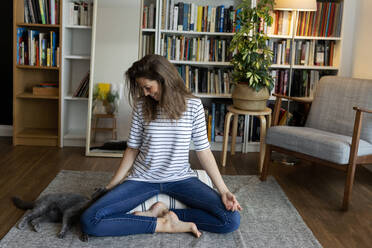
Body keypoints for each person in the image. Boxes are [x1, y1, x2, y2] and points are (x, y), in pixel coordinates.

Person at [80, 54, 242, 238]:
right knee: (89, 220)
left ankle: (167, 214)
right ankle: (163, 224)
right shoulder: (142, 106)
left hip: (181, 179)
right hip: (142, 179)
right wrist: (111, 186)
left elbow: (203, 151)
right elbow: (132, 149)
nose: (146, 93)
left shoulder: (194, 106)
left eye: (148, 87)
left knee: (231, 220)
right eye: (143, 89)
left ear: (163, 79)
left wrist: (224, 190)